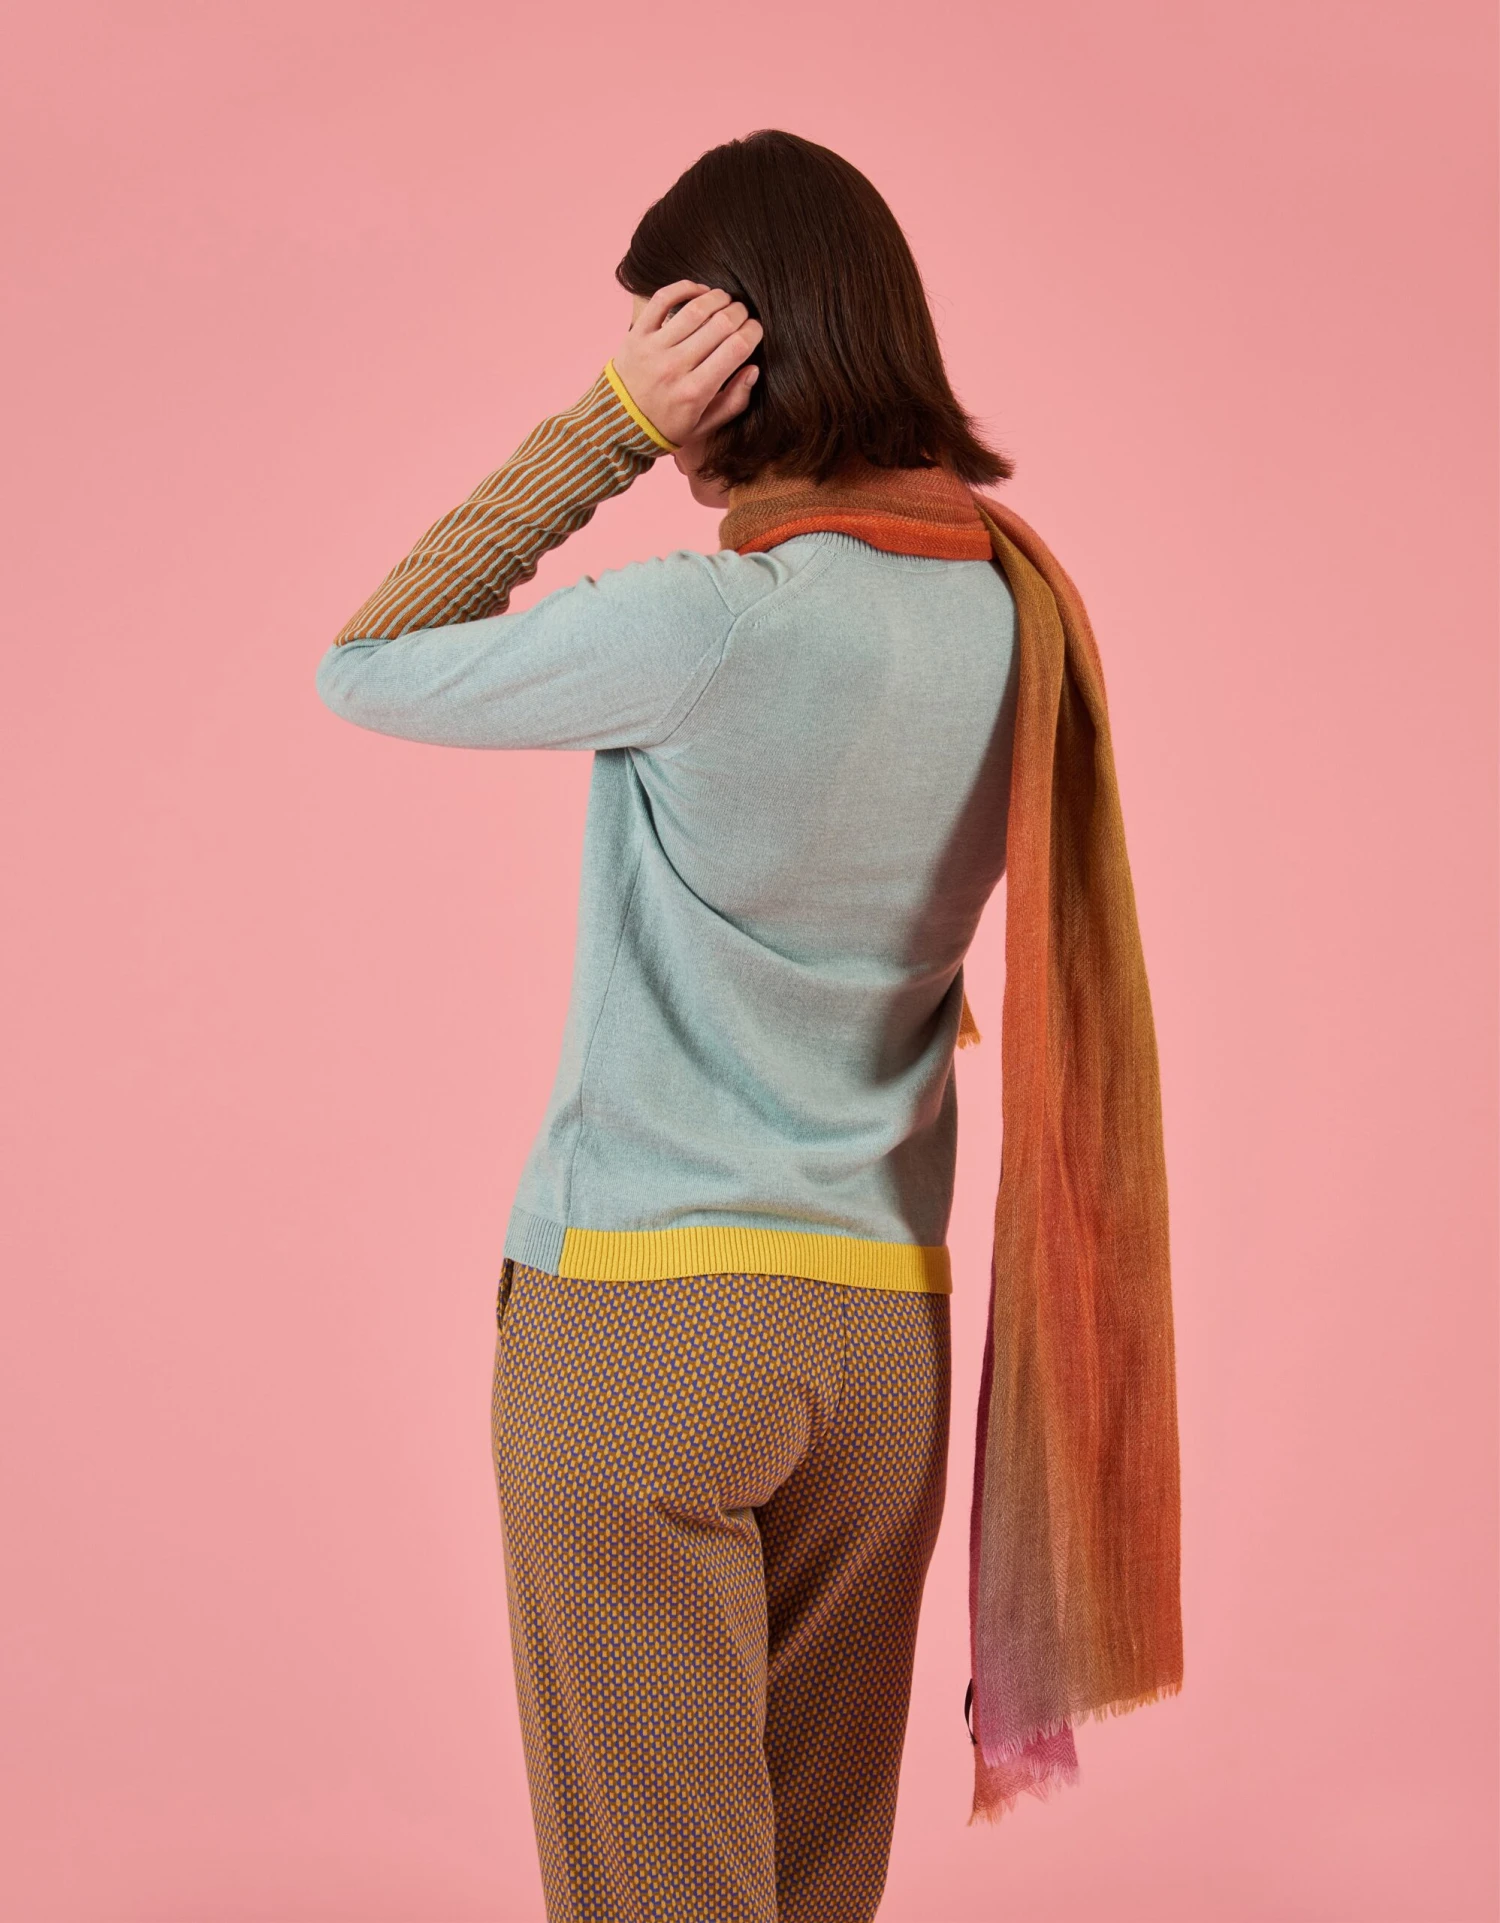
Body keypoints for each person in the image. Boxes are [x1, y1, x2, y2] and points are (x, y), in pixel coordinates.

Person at [318, 128, 1020, 1923]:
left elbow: (371, 662)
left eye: (663, 332)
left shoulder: (712, 622)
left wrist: (606, 430)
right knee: (808, 1889)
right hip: (885, 1336)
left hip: (648, 1318)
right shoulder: (1014, 617)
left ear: (733, 350)